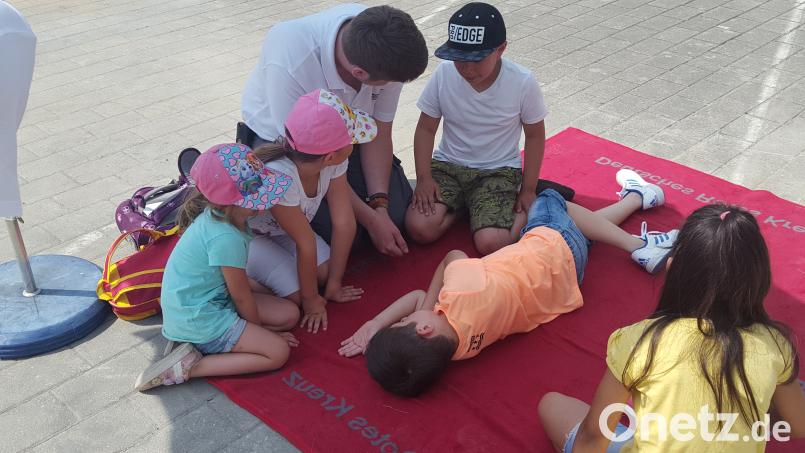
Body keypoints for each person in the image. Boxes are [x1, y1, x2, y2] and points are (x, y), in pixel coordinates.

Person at [339, 170, 678, 396]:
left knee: (583, 228)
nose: (409, 314)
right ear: (424, 330)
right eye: (406, 321)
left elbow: (418, 302)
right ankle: (640, 247)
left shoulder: (455, 351)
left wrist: (379, 322)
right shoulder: (461, 292)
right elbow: (451, 257)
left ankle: (638, 197)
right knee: (550, 200)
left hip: (564, 279)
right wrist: (413, 312)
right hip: (549, 248)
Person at [538, 205, 805, 452]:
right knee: (792, 386)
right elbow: (798, 425)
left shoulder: (641, 341)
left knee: (552, 405)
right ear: (759, 280)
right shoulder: (774, 344)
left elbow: (593, 437)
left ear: (672, 267)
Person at [241, 4, 429, 257]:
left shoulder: (385, 48)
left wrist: (380, 205)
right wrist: (370, 220)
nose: (391, 86)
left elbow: (380, 131)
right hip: (289, 147)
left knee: (397, 216)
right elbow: (307, 154)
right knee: (337, 232)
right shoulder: (290, 57)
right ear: (359, 73)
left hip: (348, 138)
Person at [135, 143, 299, 391]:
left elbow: (234, 284)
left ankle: (193, 344)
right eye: (259, 194)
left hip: (202, 305)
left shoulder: (225, 218)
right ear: (232, 202)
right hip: (200, 317)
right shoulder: (227, 237)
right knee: (277, 352)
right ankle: (189, 366)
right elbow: (241, 296)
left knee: (289, 314)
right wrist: (262, 334)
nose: (266, 200)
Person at [406, 2, 550, 255]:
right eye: (459, 59)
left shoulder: (522, 82)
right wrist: (424, 178)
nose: (467, 69)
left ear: (501, 49)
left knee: (492, 244)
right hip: (449, 166)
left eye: (477, 59)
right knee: (419, 228)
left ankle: (542, 206)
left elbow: (535, 135)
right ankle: (468, 208)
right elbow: (426, 128)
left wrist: (528, 189)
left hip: (498, 171)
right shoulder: (443, 74)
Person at [247, 89, 372, 334]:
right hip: (253, 239)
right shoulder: (281, 177)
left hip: (286, 232)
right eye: (351, 139)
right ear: (329, 156)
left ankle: (288, 282)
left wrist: (334, 284)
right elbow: (305, 243)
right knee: (295, 298)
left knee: (323, 275)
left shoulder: (333, 162)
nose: (354, 144)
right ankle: (240, 283)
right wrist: (311, 301)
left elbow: (344, 221)